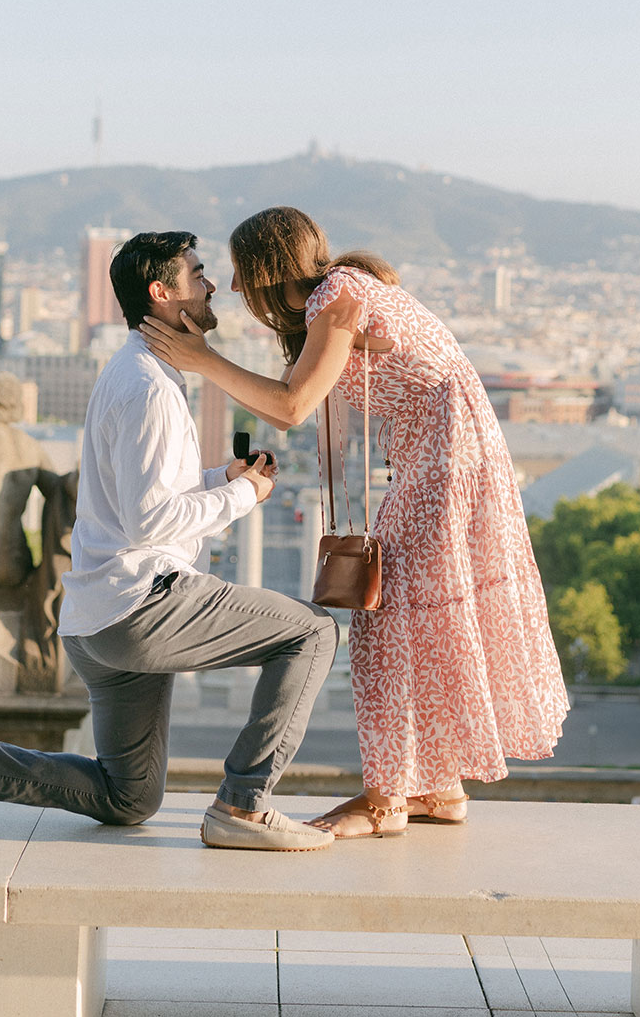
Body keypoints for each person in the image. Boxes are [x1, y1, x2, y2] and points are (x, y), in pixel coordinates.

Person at [0, 231, 338, 852]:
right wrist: (245, 498)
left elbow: (142, 497)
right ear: (162, 294)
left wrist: (222, 479)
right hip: (143, 603)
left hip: (96, 622)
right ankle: (243, 804)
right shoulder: (151, 389)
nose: (212, 285)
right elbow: (150, 523)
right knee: (312, 632)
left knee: (128, 798)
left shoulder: (135, 371)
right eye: (199, 274)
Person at [140, 207, 569, 839]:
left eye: (239, 272)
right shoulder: (344, 295)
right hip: (446, 455)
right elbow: (299, 386)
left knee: (384, 619)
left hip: (446, 460)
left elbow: (291, 405)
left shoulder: (337, 294)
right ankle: (435, 788)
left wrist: (201, 359)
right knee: (417, 615)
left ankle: (386, 798)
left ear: (266, 268)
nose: (233, 289)